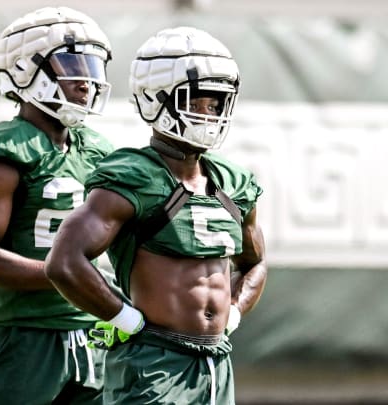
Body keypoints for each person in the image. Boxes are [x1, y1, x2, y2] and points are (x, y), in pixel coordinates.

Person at [45, 26, 268, 405]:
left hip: (216, 361)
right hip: (154, 361)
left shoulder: (232, 182)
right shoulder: (133, 175)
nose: (208, 113)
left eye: (216, 104)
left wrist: (235, 311)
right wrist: (121, 317)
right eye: (196, 100)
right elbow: (64, 262)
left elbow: (256, 263)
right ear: (155, 99)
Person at [0, 6, 115, 404]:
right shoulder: (3, 151)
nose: (86, 79)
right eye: (72, 63)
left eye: (92, 64)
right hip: (25, 334)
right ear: (27, 69)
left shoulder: (98, 151)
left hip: (93, 330)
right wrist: (69, 276)